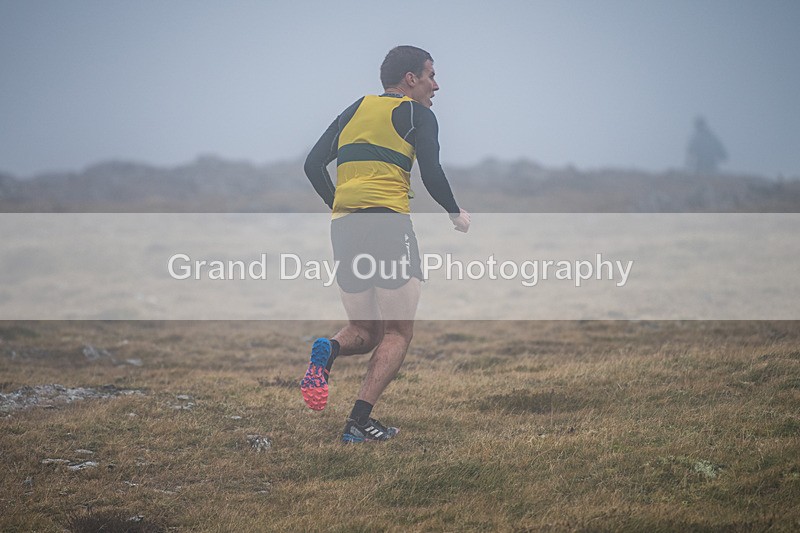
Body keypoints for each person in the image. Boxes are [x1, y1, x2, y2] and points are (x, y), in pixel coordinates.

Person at [301, 45, 470, 443]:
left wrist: (341, 206)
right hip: (389, 225)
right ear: (410, 79)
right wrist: (454, 211)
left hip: (344, 227)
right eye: (430, 75)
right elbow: (431, 170)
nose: (436, 84)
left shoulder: (355, 108)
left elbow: (312, 164)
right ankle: (358, 423)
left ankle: (328, 347)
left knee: (363, 328)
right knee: (397, 332)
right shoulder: (418, 114)